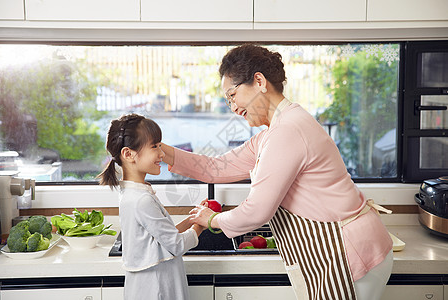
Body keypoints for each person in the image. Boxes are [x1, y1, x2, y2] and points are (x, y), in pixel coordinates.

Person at [161, 44, 393, 300]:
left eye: (232, 95)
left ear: (259, 81)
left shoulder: (287, 131)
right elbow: (217, 167)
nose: (232, 107)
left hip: (350, 252)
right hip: (338, 251)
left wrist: (212, 220)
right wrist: (162, 151)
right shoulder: (275, 131)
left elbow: (257, 212)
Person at [98, 113, 204, 300]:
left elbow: (162, 237)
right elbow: (177, 245)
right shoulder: (141, 200)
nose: (162, 154)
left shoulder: (134, 193)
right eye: (155, 146)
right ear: (128, 154)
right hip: (156, 288)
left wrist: (191, 219)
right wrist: (200, 226)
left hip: (150, 285)